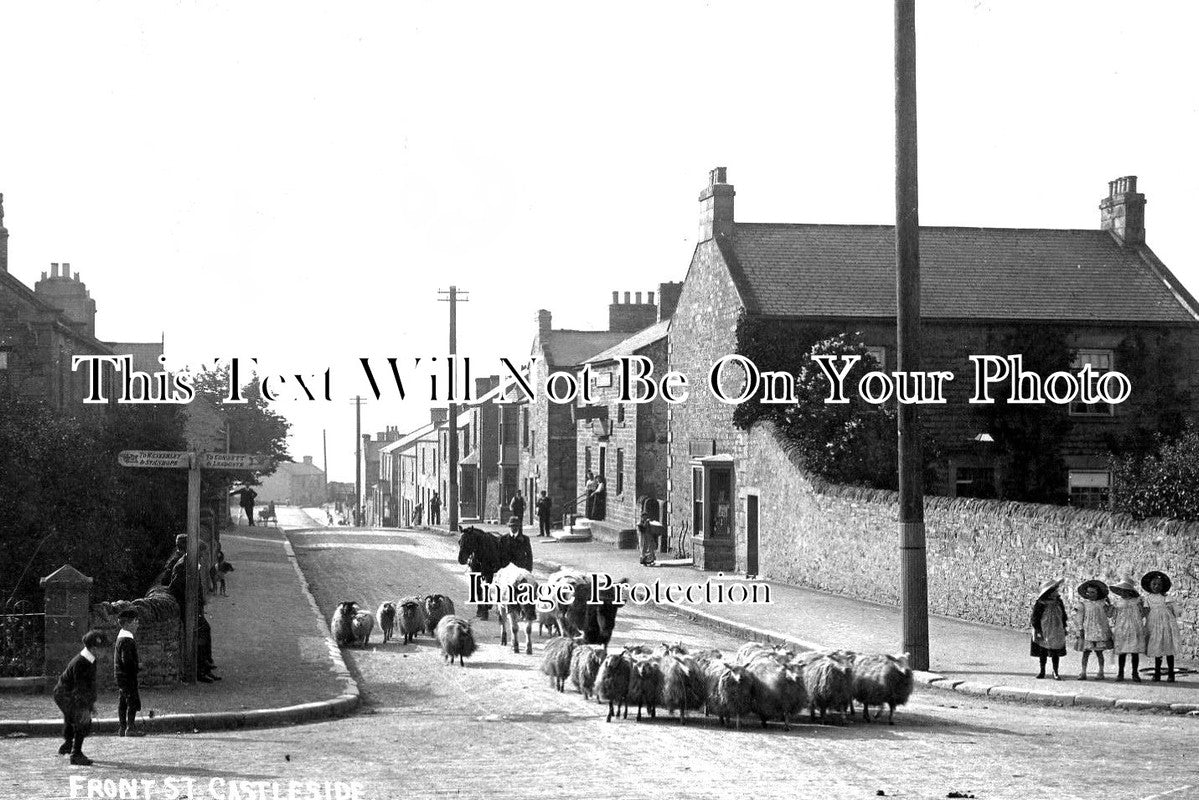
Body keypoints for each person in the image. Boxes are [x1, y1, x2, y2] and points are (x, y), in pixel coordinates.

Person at [53, 629, 105, 765]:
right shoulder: (82, 662)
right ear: (94, 648)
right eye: (102, 648)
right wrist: (85, 708)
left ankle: (68, 745)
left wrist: (91, 703)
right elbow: (80, 688)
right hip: (65, 694)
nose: (104, 651)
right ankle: (76, 754)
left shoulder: (90, 659)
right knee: (83, 720)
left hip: (67, 693)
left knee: (73, 719)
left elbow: (89, 685)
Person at [168, 559, 220, 683]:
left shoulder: (191, 562)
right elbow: (174, 587)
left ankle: (205, 665)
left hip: (195, 609)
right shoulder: (182, 566)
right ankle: (200, 670)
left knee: (205, 631)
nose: (202, 557)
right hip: (188, 611)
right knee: (199, 637)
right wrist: (188, 601)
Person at [1142, 571, 1181, 682]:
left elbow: (1174, 610)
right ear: (1149, 585)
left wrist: (1171, 612)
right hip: (1153, 624)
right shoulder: (1148, 598)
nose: (1156, 586)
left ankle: (1171, 673)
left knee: (1168, 647)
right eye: (1154, 584)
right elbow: (1146, 612)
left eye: (1159, 584)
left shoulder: (1166, 598)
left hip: (1165, 624)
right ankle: (1157, 673)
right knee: (1157, 647)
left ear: (1163, 586)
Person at [1107, 577, 1146, 682]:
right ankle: (1120, 673)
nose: (1122, 592)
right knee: (1122, 651)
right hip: (1122, 627)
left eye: (1124, 590)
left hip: (1134, 627)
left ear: (1130, 591)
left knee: (1134, 651)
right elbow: (1110, 615)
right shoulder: (1118, 602)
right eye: (1121, 590)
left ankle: (1135, 673)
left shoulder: (1137, 601)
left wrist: (1140, 611)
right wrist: (1109, 606)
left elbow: (1143, 613)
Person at [1074, 579, 1113, 680]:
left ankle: (1101, 671)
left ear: (1097, 593)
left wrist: (1109, 605)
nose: (1090, 594)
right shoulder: (1083, 604)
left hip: (1099, 631)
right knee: (1085, 653)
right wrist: (1080, 628)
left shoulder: (1102, 603)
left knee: (1099, 652)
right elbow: (1079, 617)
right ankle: (1083, 672)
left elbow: (1109, 615)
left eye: (1093, 592)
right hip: (1088, 631)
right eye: (1088, 592)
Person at [114, 608, 144, 737]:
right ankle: (130, 728)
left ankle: (122, 727)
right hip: (127, 676)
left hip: (120, 675)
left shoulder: (121, 637)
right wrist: (138, 666)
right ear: (127, 624)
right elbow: (126, 660)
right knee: (132, 701)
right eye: (135, 621)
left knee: (123, 701)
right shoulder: (127, 640)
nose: (137, 624)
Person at [1029, 578, 1066, 680]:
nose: (1057, 592)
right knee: (1043, 651)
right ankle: (1042, 671)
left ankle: (1055, 671)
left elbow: (1063, 615)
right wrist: (1037, 630)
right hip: (1043, 629)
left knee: (1055, 651)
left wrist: (1064, 626)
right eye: (1055, 590)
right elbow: (1035, 617)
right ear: (1049, 593)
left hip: (1056, 629)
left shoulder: (1058, 602)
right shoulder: (1041, 603)